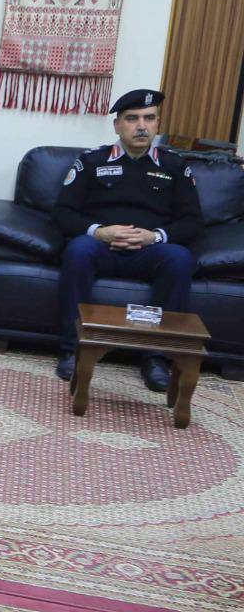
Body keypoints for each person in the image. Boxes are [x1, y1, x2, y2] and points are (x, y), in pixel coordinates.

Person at [53, 89, 199, 390]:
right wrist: (99, 231)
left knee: (180, 259)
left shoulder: (174, 166)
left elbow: (193, 221)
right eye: (132, 119)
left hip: (151, 251)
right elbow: (62, 213)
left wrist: (155, 237)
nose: (141, 126)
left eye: (149, 118)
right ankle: (72, 349)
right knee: (77, 250)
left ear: (158, 124)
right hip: (101, 246)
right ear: (117, 125)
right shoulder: (92, 161)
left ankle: (157, 358)